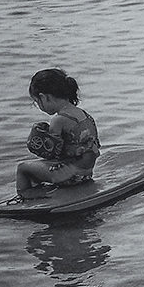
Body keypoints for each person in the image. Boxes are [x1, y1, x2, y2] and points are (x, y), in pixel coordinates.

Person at [16, 68, 100, 199]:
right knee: (40, 165)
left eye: (37, 102)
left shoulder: (58, 120)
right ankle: (45, 190)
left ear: (44, 97)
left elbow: (53, 154)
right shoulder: (82, 114)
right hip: (86, 172)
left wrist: (37, 145)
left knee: (23, 168)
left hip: (68, 175)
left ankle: (25, 198)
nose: (39, 106)